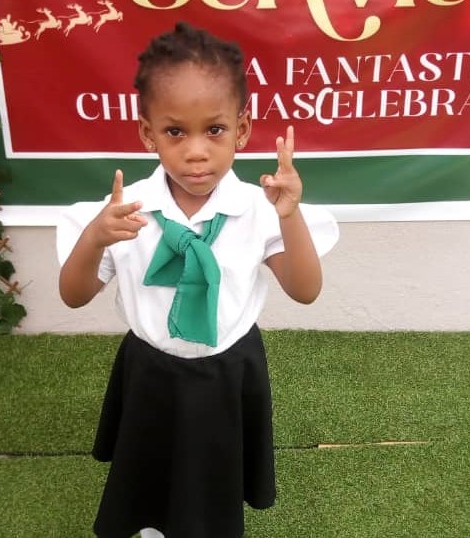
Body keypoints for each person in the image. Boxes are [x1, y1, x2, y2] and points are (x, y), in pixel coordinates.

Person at [56, 21, 339, 538]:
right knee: (149, 471)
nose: (196, 151)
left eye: (214, 130)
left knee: (210, 480)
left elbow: (305, 290)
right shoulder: (125, 210)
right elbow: (73, 297)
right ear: (147, 133)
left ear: (243, 129)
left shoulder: (259, 209)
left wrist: (290, 216)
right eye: (174, 131)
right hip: (150, 370)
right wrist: (94, 238)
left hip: (226, 371)